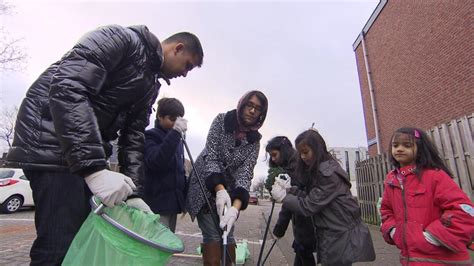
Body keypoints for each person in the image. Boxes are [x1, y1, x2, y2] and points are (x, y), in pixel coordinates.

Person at [6, 25, 203, 265]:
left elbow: (133, 137)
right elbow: (68, 87)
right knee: (58, 246)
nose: (185, 74)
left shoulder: (150, 84)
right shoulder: (121, 40)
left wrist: (133, 194)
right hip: (51, 145)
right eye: (188, 65)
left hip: (79, 155)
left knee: (83, 238)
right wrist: (94, 168)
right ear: (177, 48)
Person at [185, 90, 268, 265]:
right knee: (213, 236)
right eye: (250, 105)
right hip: (204, 186)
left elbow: (245, 175)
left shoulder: (254, 142)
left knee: (227, 235)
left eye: (258, 109)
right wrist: (219, 190)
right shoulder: (221, 121)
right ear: (242, 104)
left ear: (261, 114)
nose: (253, 111)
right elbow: (212, 156)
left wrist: (235, 210)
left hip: (229, 194)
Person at [270, 129, 375, 266]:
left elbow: (308, 206)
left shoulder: (327, 175)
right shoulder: (320, 170)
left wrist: (284, 197)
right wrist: (291, 190)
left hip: (339, 235)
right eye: (300, 153)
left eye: (305, 152)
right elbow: (312, 198)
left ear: (317, 149)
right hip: (332, 233)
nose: (302, 157)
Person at [380, 127, 474, 265]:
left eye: (407, 145)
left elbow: (464, 212)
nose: (399, 149)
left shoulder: (434, 176)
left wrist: (431, 237)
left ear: (420, 148)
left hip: (442, 259)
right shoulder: (392, 180)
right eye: (395, 145)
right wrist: (394, 232)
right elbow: (386, 211)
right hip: (410, 259)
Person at [266, 136, 317, 266]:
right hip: (303, 227)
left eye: (274, 154)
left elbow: (290, 203)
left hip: (307, 226)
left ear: (283, 151)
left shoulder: (297, 168)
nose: (273, 159)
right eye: (270, 156)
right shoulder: (292, 167)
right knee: (302, 256)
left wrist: (279, 229)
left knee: (305, 255)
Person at [143, 97, 188, 232]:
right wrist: (175, 133)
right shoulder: (151, 136)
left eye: (179, 119)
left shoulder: (178, 140)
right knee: (155, 246)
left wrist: (183, 200)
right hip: (156, 205)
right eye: (172, 119)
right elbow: (156, 161)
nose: (175, 123)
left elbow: (180, 173)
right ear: (160, 117)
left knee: (166, 245)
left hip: (172, 206)